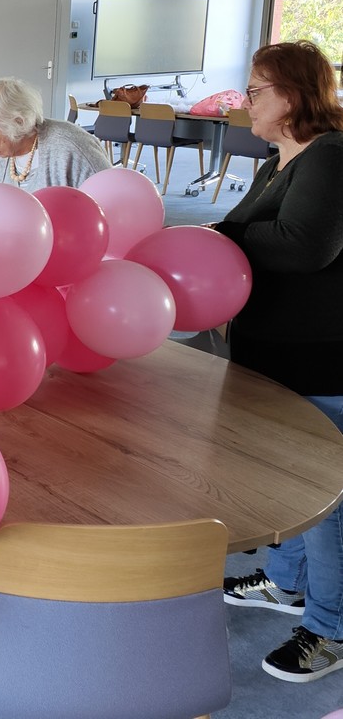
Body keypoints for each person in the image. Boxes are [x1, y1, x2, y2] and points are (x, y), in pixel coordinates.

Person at [215, 40, 343, 684]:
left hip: (322, 360)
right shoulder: (280, 160)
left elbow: (301, 246)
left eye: (256, 90)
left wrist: (227, 237)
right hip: (273, 353)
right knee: (284, 478)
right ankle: (288, 584)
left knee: (328, 503)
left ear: (290, 96)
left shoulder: (331, 157)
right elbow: (241, 228)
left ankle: (330, 628)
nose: (247, 102)